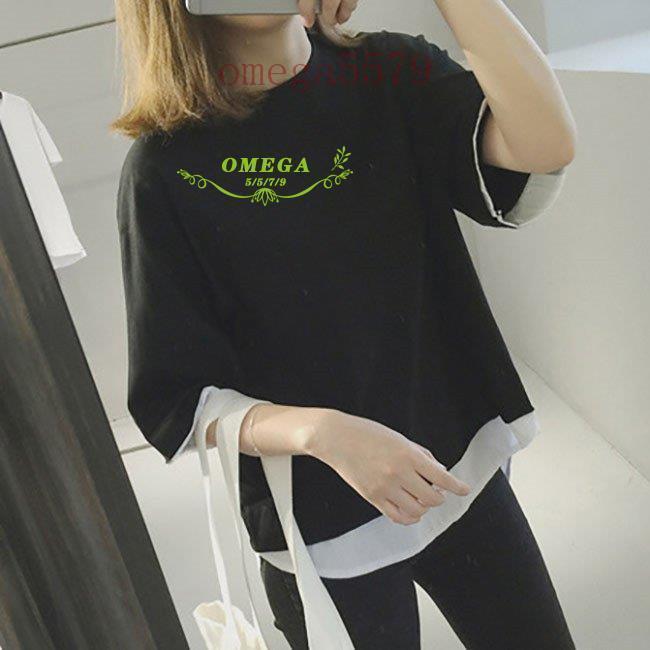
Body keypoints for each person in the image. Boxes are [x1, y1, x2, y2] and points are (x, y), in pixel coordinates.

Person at [112, 1, 577, 647]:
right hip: (319, 529)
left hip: (457, 472)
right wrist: (321, 432)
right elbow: (177, 397)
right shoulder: (164, 169)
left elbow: (544, 146)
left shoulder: (389, 71)